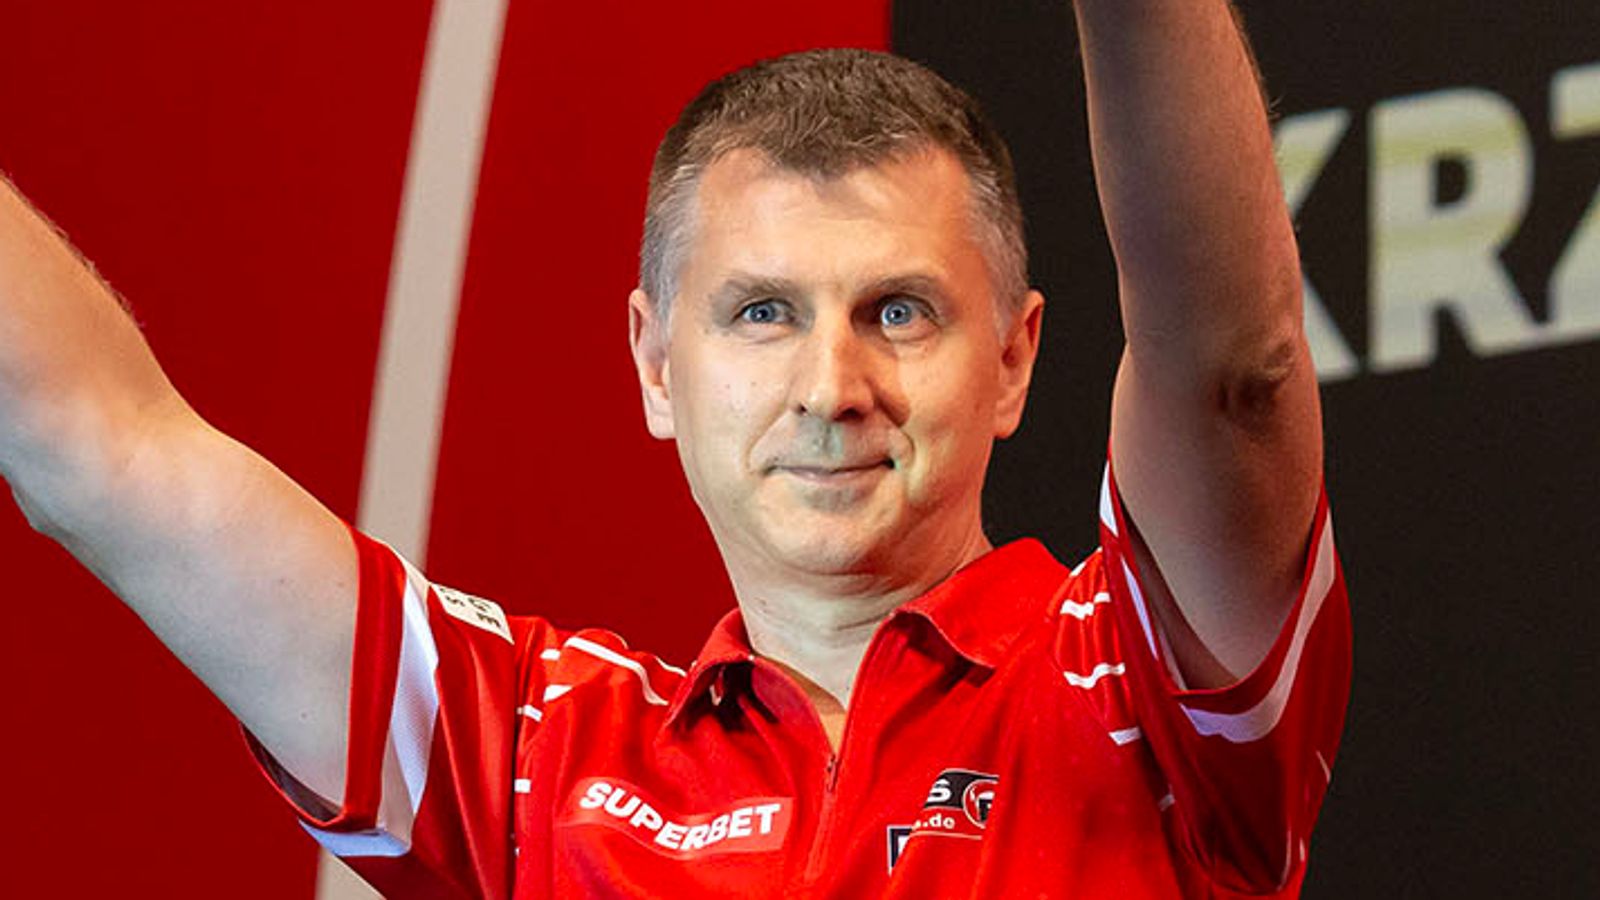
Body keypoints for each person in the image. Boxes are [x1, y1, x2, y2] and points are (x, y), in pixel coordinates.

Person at [0, 1, 1349, 897]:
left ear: (1013, 359)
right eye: (762, 313)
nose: (832, 388)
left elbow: (1236, 372)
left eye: (898, 311)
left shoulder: (1140, 687)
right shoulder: (534, 759)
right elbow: (100, 447)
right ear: (656, 364)